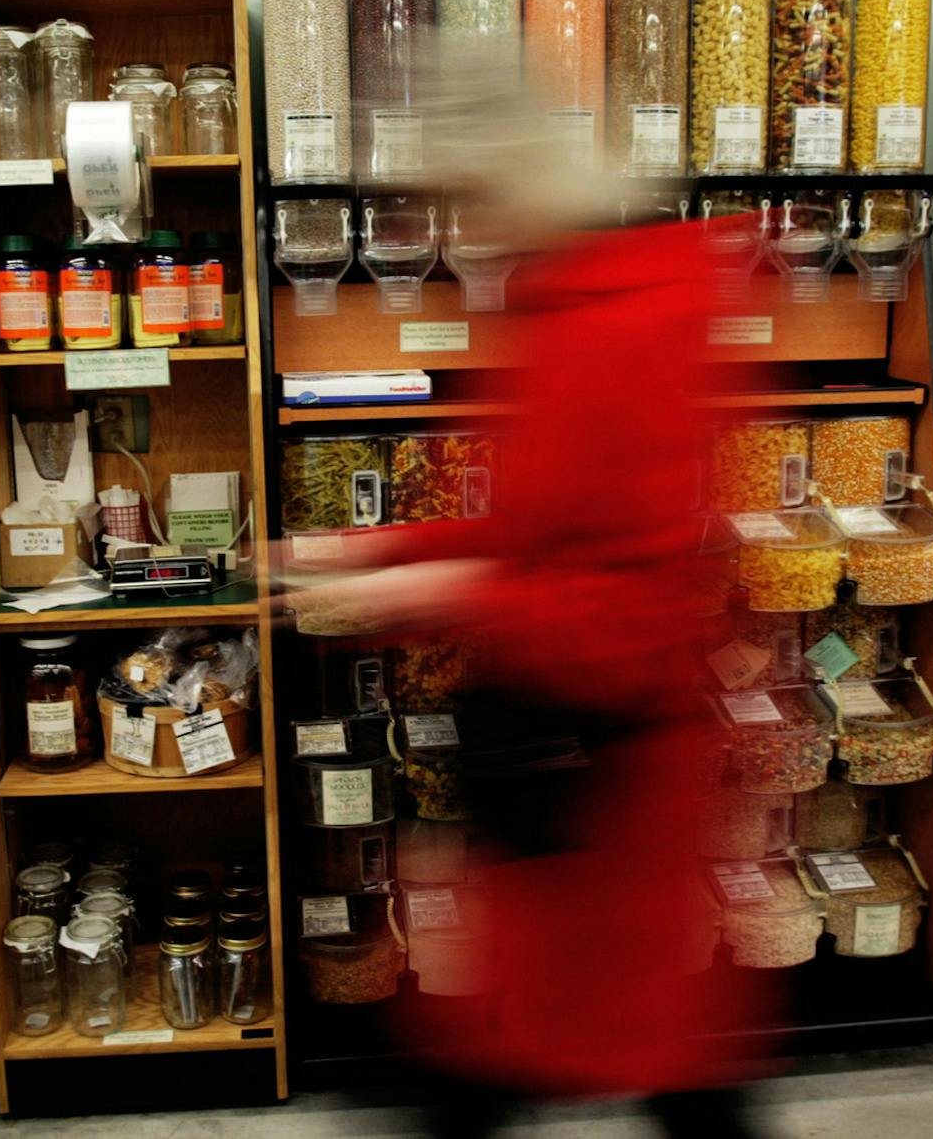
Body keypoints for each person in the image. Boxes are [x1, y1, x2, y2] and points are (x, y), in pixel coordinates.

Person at [302, 207, 779, 1138]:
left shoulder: (622, 320)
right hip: (572, 743)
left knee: (618, 1036)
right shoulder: (578, 304)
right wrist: (373, 549)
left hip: (603, 752)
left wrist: (457, 589)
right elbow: (541, 526)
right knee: (590, 1033)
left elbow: (626, 587)